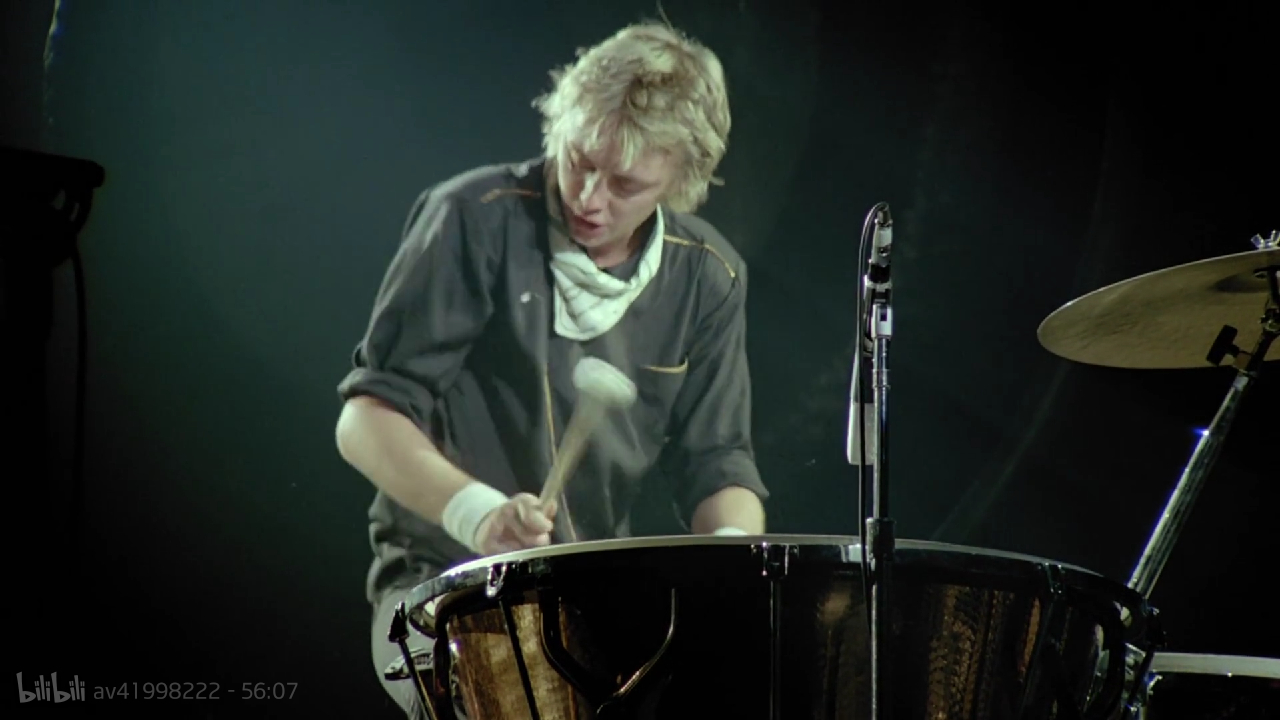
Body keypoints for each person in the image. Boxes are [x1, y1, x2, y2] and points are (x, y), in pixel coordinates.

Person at [334, 20, 768, 718]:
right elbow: (366, 418)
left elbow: (718, 463)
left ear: (680, 179)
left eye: (625, 183)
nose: (590, 197)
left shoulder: (708, 276)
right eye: (578, 161)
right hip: (445, 587)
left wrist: (728, 558)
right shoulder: (473, 219)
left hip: (598, 600)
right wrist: (479, 516)